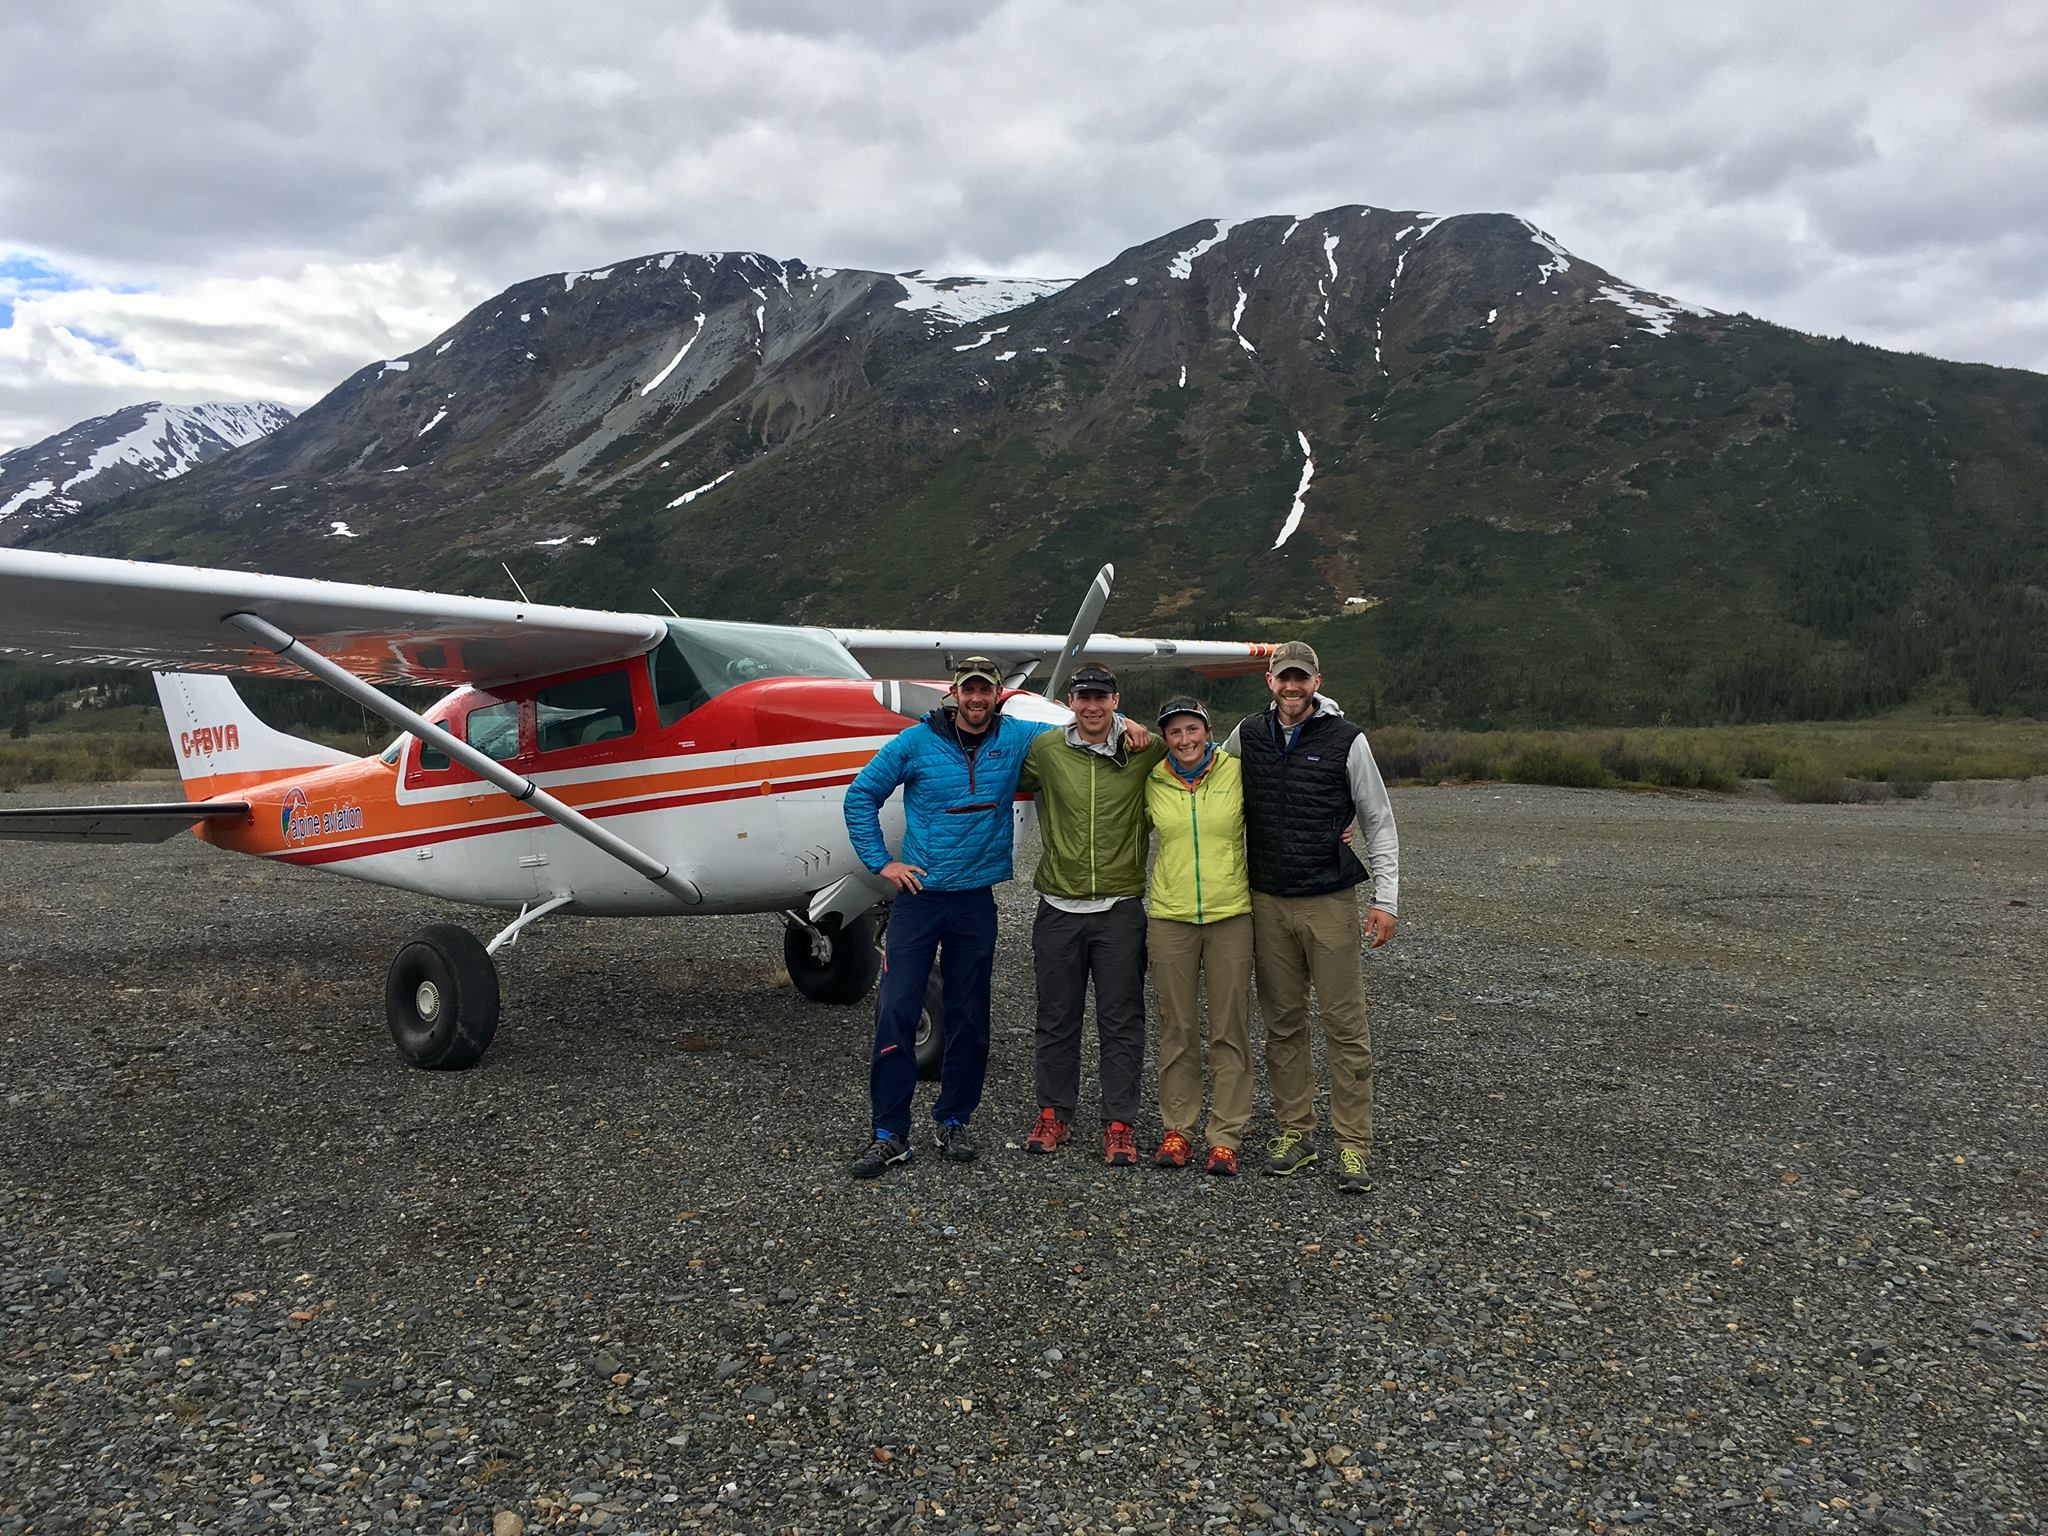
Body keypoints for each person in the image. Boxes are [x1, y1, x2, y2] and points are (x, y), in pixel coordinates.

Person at [841, 657, 1045, 1179]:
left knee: (970, 1015)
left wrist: (1128, 726)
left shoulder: (1018, 737)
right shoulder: (915, 742)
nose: (977, 699)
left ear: (999, 694)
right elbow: (861, 794)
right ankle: (890, 1133)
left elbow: (1079, 730)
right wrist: (881, 862)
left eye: (987, 690)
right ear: (955, 693)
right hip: (920, 900)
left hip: (975, 900)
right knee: (897, 1011)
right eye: (969, 690)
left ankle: (953, 1119)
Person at [1223, 640, 1399, 1194]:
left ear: (1316, 682)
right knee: (1283, 1023)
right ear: (1269, 683)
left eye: (1301, 678)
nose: (1292, 687)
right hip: (1267, 900)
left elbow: (1378, 819)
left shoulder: (1348, 740)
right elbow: (1202, 773)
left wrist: (1386, 900)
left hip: (1328, 900)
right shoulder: (1247, 735)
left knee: (1345, 1025)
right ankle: (1294, 1131)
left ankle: (1353, 1145)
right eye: (1283, 678)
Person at [1017, 664, 1164, 1166]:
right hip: (1058, 906)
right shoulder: (1045, 751)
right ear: (1070, 703)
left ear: (1116, 701)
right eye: (1083, 697)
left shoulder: (1144, 752)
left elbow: (1196, 757)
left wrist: (1140, 728)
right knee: (1056, 1017)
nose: (1093, 706)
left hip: (1120, 909)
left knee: (1121, 1019)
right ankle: (1054, 1114)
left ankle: (1119, 1123)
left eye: (1102, 697)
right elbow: (988, 761)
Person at [1143, 696, 1254, 1176]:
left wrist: (1337, 830)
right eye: (1174, 733)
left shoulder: (1237, 771)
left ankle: (1225, 1135)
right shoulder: (1151, 779)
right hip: (1170, 916)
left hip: (1231, 912)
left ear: (1208, 730)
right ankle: (1178, 1128)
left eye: (1193, 730)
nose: (1185, 740)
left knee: (1230, 1028)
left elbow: (1285, 810)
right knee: (1178, 1028)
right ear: (1164, 738)